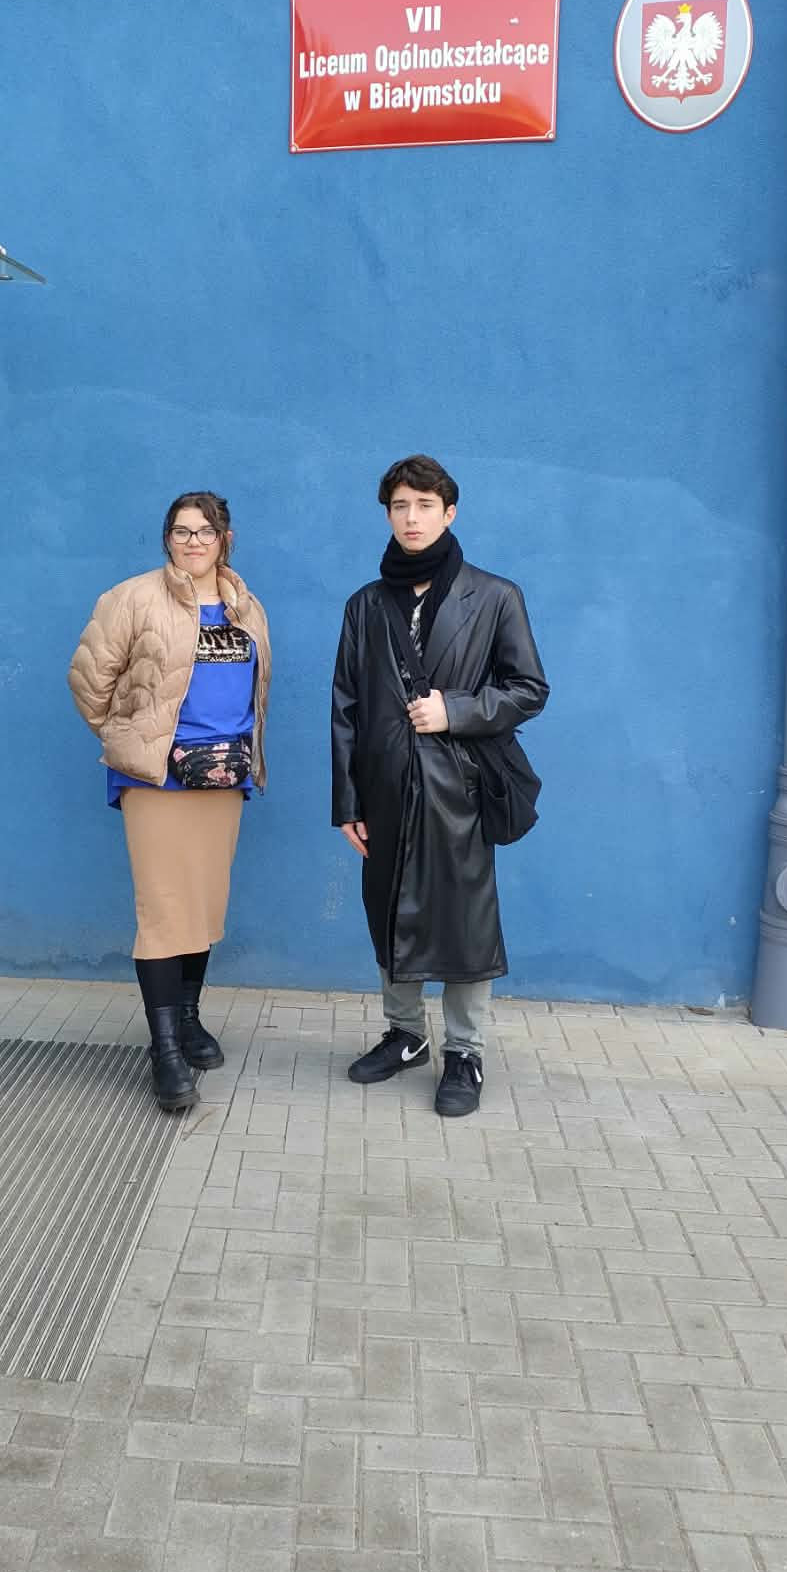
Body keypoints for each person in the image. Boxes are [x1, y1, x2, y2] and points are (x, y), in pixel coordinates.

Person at [331, 455, 548, 1116]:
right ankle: (406, 1035)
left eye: (425, 505)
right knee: (389, 910)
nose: (412, 517)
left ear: (449, 513)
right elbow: (345, 707)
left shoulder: (495, 596)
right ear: (387, 515)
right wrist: (348, 802)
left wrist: (454, 710)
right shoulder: (366, 605)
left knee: (464, 920)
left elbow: (529, 689)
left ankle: (465, 1052)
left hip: (461, 788)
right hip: (385, 788)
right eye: (400, 506)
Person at [69, 493, 271, 1112]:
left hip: (223, 777)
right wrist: (134, 741)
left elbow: (255, 689)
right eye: (181, 531)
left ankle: (187, 1018)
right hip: (158, 781)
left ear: (225, 539)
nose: (193, 542)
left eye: (205, 531)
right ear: (167, 538)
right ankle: (163, 1049)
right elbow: (89, 682)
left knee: (202, 905)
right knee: (163, 908)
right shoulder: (131, 598)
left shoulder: (246, 605)